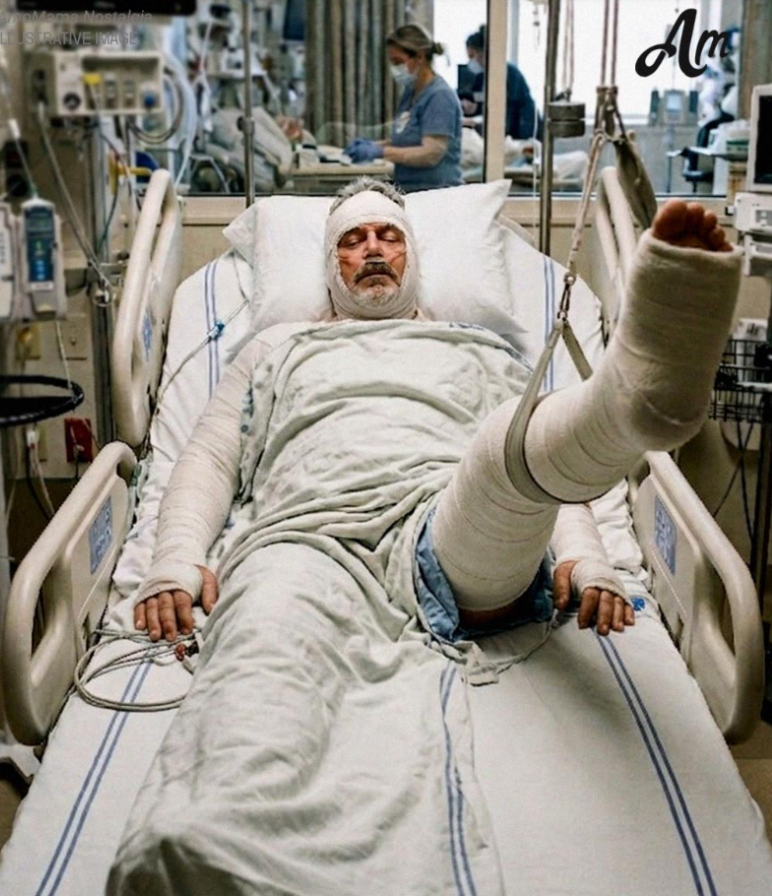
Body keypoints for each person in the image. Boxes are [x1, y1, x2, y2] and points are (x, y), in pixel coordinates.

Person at [133, 178, 738, 651]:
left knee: (511, 454)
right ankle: (629, 408)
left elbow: (534, 463)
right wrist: (176, 560)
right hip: (305, 537)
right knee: (254, 658)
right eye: (352, 240)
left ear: (412, 258)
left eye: (389, 237)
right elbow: (208, 460)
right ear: (331, 265)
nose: (373, 249)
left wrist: (586, 559)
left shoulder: (476, 346)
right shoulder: (273, 347)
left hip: (450, 537)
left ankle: (625, 407)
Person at [343, 24, 463, 192]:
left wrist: (380, 151)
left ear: (420, 56)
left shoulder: (439, 96)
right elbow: (407, 139)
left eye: (398, 62)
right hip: (411, 189)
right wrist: (372, 144)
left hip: (436, 192)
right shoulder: (411, 93)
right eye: (392, 62)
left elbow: (431, 154)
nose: (394, 69)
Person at [460, 26, 541, 142]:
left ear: (484, 52)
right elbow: (480, 98)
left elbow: (511, 108)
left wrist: (517, 141)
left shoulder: (510, 74)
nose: (471, 62)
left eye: (472, 56)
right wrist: (472, 108)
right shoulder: (481, 77)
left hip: (519, 131)